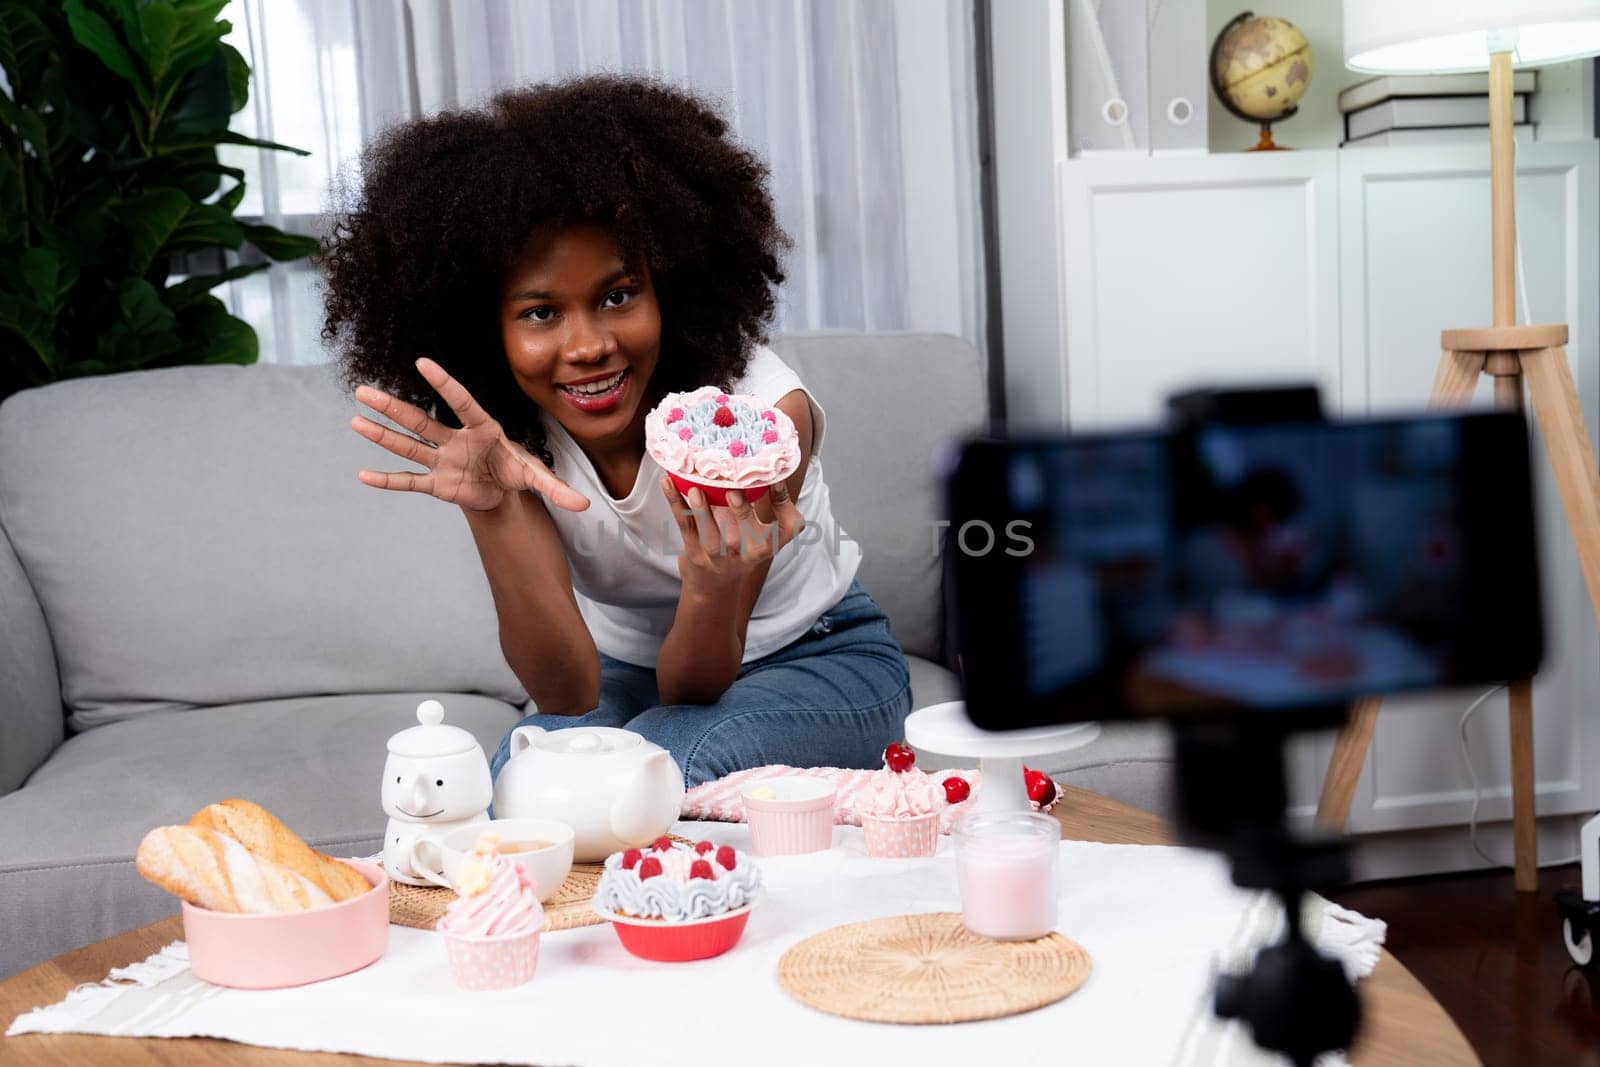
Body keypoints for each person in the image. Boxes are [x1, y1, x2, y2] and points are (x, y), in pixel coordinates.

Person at [320, 75, 911, 787]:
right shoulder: (502, 436)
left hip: (818, 657)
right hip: (628, 673)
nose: (589, 344)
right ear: (488, 328)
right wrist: (494, 512)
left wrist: (708, 586)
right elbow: (569, 693)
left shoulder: (754, 418)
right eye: (541, 312)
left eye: (618, 295)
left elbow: (694, 687)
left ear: (670, 283)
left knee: (664, 764)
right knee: (527, 773)